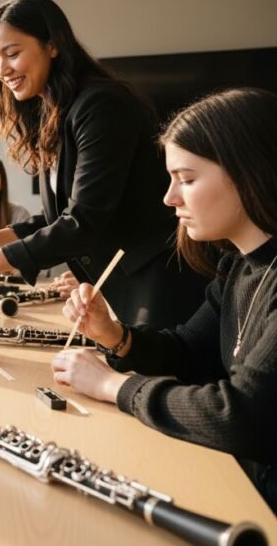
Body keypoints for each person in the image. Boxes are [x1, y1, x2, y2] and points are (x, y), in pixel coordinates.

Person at [51, 88, 277, 512]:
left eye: (187, 180)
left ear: (251, 171)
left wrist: (112, 385)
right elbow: (190, 351)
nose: (169, 198)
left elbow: (244, 417)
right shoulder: (237, 267)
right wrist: (115, 336)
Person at [0, 0, 205, 327]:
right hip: (125, 281)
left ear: (52, 46)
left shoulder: (100, 104)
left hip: (157, 278)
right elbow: (62, 215)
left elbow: (84, 219)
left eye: (12, 54)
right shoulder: (60, 113)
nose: (2, 70)